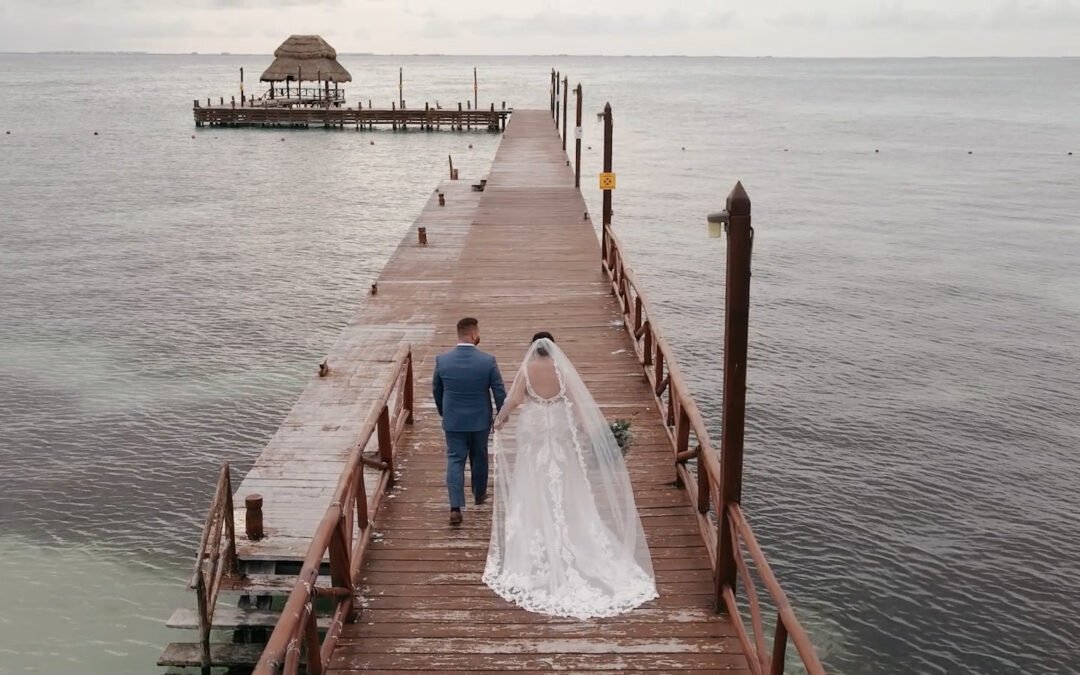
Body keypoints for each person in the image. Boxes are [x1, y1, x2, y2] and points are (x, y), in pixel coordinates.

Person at [483, 332, 657, 619]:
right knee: (566, 478)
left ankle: (538, 531)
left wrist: (500, 420)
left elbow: (514, 399)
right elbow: (577, 405)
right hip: (560, 428)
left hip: (536, 428)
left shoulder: (527, 370)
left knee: (533, 478)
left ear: (532, 349)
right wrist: (598, 436)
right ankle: (572, 526)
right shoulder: (562, 370)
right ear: (554, 349)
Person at [432, 317, 507, 526]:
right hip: (480, 419)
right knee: (480, 455)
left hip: (453, 419)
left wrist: (443, 412)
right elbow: (499, 391)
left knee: (455, 460)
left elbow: (436, 391)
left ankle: (455, 507)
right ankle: (479, 493)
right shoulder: (488, 360)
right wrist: (502, 414)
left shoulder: (442, 360)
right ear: (474, 334)